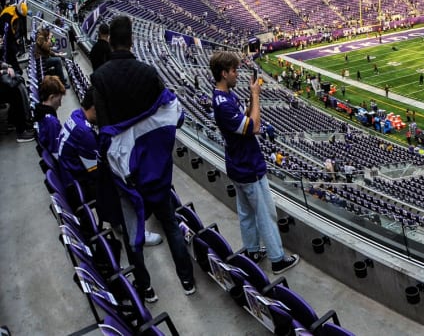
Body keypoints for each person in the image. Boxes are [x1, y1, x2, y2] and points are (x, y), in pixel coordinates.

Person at [92, 16, 194, 300]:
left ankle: (146, 288)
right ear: (132, 41)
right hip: (153, 166)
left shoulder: (99, 78)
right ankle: (187, 281)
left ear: (110, 41)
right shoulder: (149, 73)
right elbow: (172, 114)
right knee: (170, 224)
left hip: (125, 170)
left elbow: (105, 128)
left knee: (132, 233)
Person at [210, 51, 300, 275]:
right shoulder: (224, 104)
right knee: (265, 213)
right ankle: (277, 259)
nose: (236, 74)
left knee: (246, 212)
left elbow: (247, 119)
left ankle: (252, 250)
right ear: (224, 73)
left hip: (238, 164)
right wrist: (257, 96)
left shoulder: (225, 97)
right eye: (233, 71)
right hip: (247, 165)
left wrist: (252, 98)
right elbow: (254, 128)